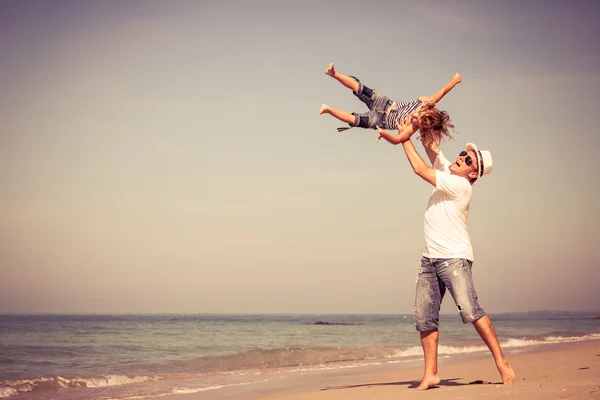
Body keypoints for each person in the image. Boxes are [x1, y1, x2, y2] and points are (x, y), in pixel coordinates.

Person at [379, 116, 516, 390]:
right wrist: (422, 118)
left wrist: (402, 137)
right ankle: (431, 374)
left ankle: (502, 363)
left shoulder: (460, 186)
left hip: (454, 257)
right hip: (429, 258)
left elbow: (419, 168)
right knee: (424, 316)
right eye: (463, 154)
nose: (461, 158)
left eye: (468, 161)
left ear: (473, 174)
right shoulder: (450, 174)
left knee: (471, 310)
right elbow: (431, 147)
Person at [319, 62, 461, 148]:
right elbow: (442, 92)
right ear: (426, 110)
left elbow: (398, 140)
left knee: (354, 120)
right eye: (418, 115)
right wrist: (455, 81)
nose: (414, 117)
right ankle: (333, 73)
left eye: (418, 121)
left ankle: (329, 110)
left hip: (381, 120)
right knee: (361, 88)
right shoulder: (427, 102)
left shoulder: (413, 127)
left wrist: (384, 134)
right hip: (386, 104)